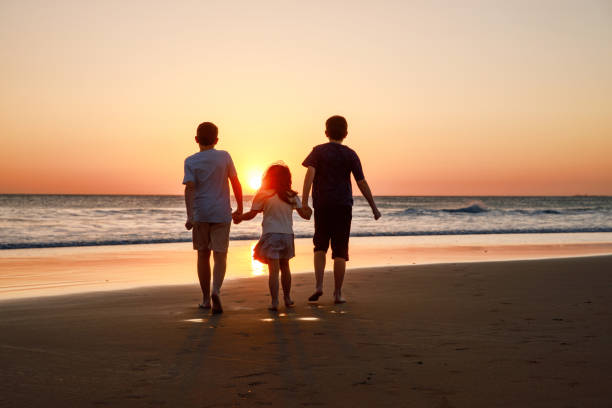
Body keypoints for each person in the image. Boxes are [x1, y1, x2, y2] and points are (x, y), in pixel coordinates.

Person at [301, 115, 381, 304]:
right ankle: (337, 293)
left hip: (322, 205)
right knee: (340, 250)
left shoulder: (318, 151)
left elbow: (309, 175)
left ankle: (319, 286)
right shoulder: (350, 154)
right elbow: (361, 182)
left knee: (320, 246)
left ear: (326, 132)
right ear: (346, 133)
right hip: (343, 206)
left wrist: (304, 202)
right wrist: (373, 207)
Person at [234, 163, 312, 311]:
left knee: (274, 271)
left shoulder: (263, 194)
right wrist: (310, 211)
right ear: (287, 178)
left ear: (268, 177)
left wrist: (239, 218)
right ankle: (288, 299)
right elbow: (305, 215)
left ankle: (275, 301)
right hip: (288, 235)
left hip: (271, 235)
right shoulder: (292, 195)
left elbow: (251, 214)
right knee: (286, 267)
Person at [183, 122, 243, 314]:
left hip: (201, 213)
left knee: (203, 254)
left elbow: (190, 188)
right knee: (220, 254)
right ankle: (216, 290)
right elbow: (235, 182)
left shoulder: (190, 161)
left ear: (196, 139)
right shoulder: (224, 156)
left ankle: (205, 299)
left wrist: (190, 215)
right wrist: (240, 207)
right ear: (217, 140)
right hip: (221, 212)